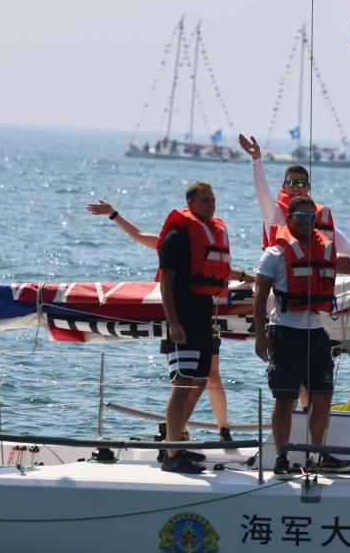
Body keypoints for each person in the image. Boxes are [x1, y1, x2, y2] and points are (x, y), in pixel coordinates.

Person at [88, 190, 252, 472]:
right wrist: (174, 322)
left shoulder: (208, 235)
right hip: (183, 319)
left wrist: (252, 278)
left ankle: (174, 446)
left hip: (204, 318)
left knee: (200, 382)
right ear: (190, 203)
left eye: (213, 200)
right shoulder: (176, 237)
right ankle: (173, 452)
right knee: (182, 385)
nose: (211, 205)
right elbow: (164, 280)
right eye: (205, 200)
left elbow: (220, 270)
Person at [254, 195, 350, 477]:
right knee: (285, 398)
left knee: (323, 395)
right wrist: (261, 335)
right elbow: (259, 298)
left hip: (316, 333)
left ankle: (316, 455)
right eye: (301, 218)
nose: (307, 223)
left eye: (311, 218)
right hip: (285, 333)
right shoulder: (275, 253)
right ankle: (282, 457)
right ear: (290, 219)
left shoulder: (325, 250)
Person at [238, 134, 350, 253]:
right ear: (283, 187)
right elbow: (262, 194)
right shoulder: (275, 213)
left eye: (301, 183)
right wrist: (256, 159)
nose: (296, 187)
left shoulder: (318, 217)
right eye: (291, 183)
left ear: (308, 188)